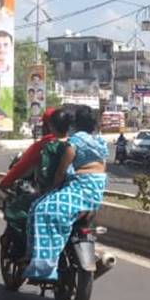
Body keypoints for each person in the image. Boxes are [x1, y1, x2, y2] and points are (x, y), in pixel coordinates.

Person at [24, 105, 108, 282]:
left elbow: (61, 173)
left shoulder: (74, 143)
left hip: (79, 189)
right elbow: (102, 169)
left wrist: (51, 190)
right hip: (95, 192)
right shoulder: (99, 143)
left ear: (74, 124)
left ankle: (43, 265)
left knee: (40, 209)